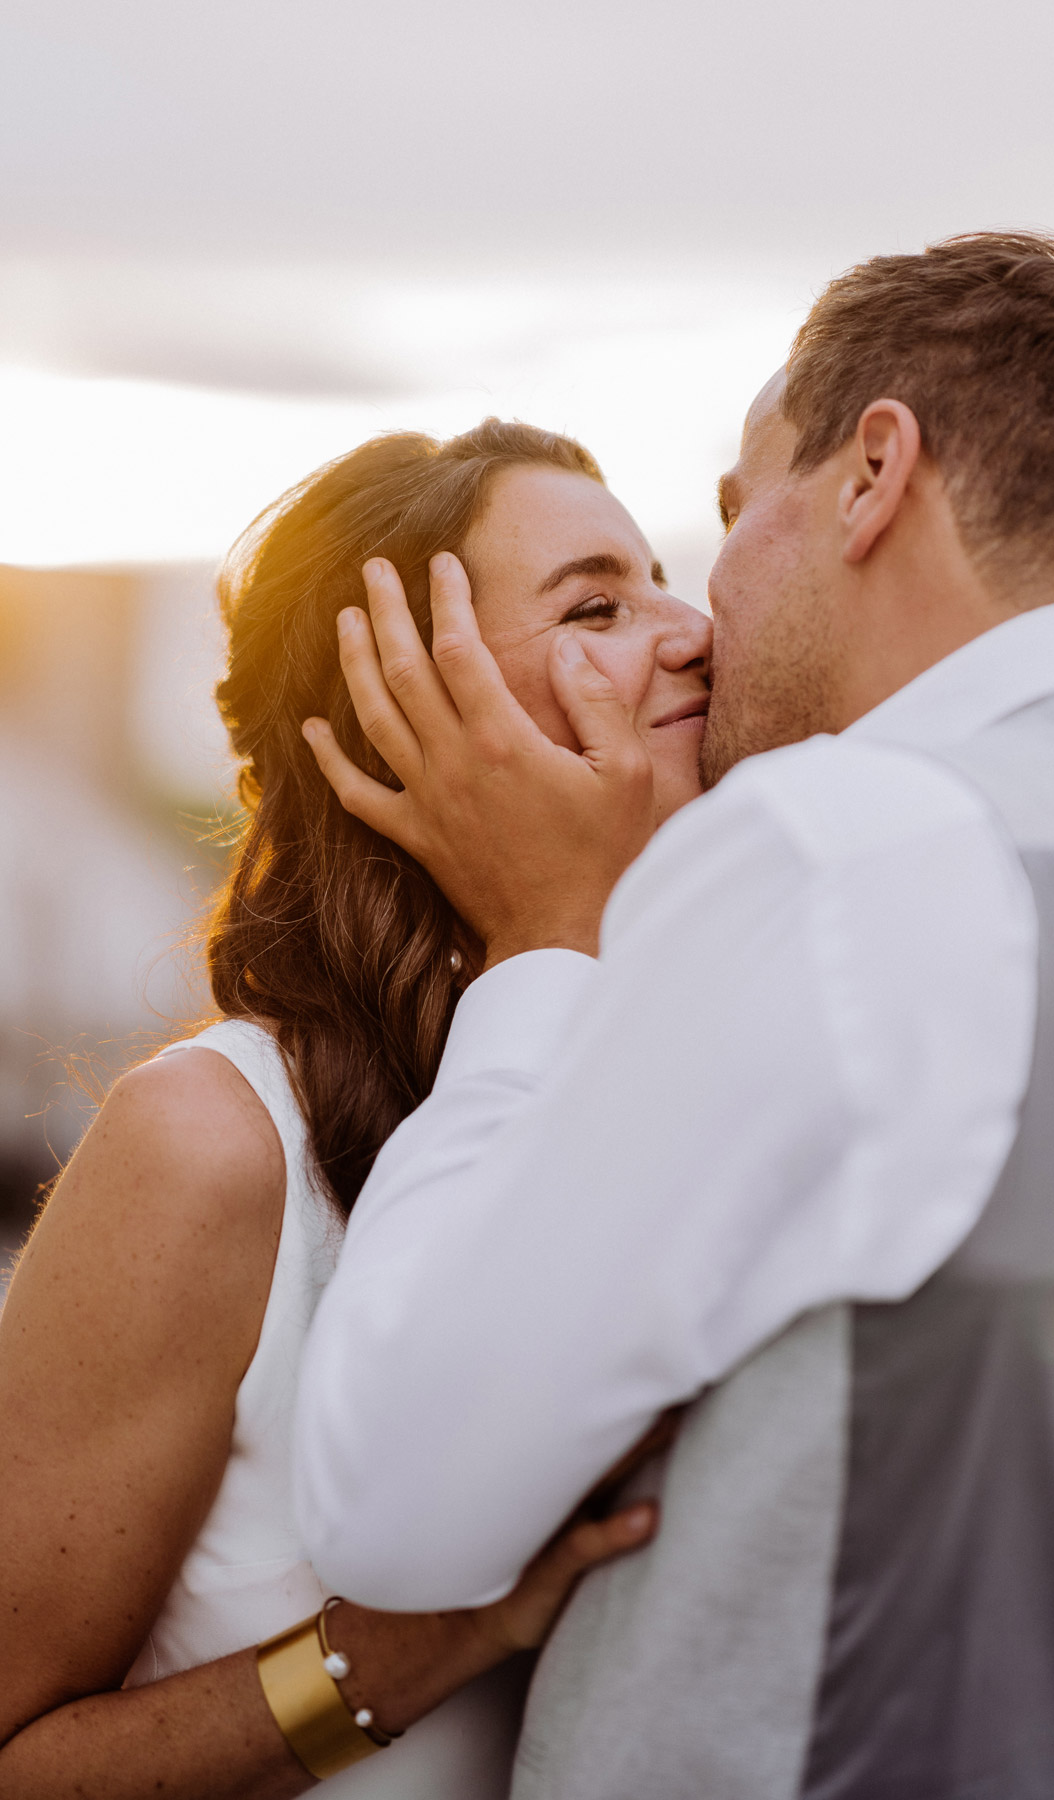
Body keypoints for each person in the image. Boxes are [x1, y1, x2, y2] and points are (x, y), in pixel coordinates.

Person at [295, 233, 1054, 1799]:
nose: (702, 612)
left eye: (730, 513)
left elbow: (393, 1503)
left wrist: (543, 936)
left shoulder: (847, 852)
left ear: (873, 476)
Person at [0, 418, 712, 1797]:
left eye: (663, 584)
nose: (694, 632)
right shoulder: (208, 1146)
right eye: (597, 608)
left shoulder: (660, 1079)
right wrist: (406, 1649)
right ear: (396, 715)